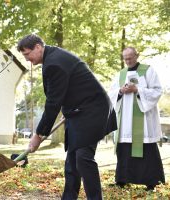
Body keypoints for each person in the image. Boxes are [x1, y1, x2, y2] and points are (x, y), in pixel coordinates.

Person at [17, 34, 117, 200]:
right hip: (77, 112)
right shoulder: (52, 58)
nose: (27, 59)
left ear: (38, 47)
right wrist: (68, 112)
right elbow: (65, 93)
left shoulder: (54, 63)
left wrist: (38, 134)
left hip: (92, 111)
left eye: (27, 54)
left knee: (83, 158)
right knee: (72, 162)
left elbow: (53, 103)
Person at [109, 47, 165, 191]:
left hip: (143, 122)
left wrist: (138, 90)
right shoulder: (120, 74)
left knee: (147, 150)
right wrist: (121, 91)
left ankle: (151, 181)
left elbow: (158, 91)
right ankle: (122, 179)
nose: (127, 61)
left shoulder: (148, 70)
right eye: (125, 58)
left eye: (130, 57)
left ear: (136, 56)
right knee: (124, 150)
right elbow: (111, 93)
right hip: (125, 122)